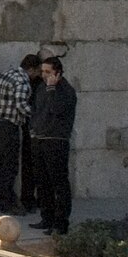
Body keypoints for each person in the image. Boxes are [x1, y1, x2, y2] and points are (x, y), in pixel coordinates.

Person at [0, 53, 40, 212]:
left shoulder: (6, 73)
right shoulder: (23, 83)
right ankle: (6, 202)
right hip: (8, 125)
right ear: (31, 69)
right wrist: (37, 113)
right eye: (37, 72)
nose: (38, 76)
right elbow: (21, 105)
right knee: (10, 165)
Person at [28, 57, 79, 235]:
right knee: (42, 183)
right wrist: (33, 129)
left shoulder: (65, 91)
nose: (44, 75)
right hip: (40, 139)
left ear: (57, 73)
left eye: (48, 72)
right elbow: (36, 110)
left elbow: (56, 109)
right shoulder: (41, 88)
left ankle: (60, 223)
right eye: (42, 72)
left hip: (56, 141)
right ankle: (46, 218)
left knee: (58, 183)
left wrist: (51, 88)